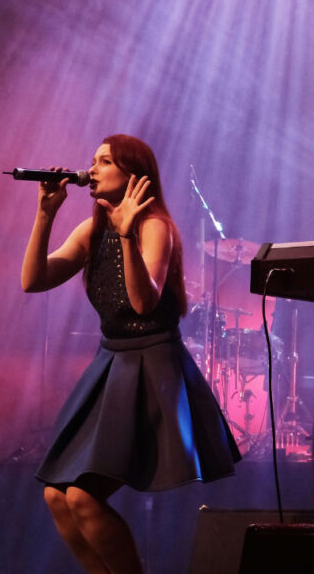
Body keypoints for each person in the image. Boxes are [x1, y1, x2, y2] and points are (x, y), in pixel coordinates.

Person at [21, 134, 241, 573]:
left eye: (105, 161)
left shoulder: (154, 226)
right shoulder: (90, 230)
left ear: (132, 176)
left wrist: (125, 235)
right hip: (112, 362)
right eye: (93, 160)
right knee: (55, 495)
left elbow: (144, 302)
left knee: (83, 495)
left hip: (151, 364)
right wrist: (45, 215)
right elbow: (34, 280)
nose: (93, 168)